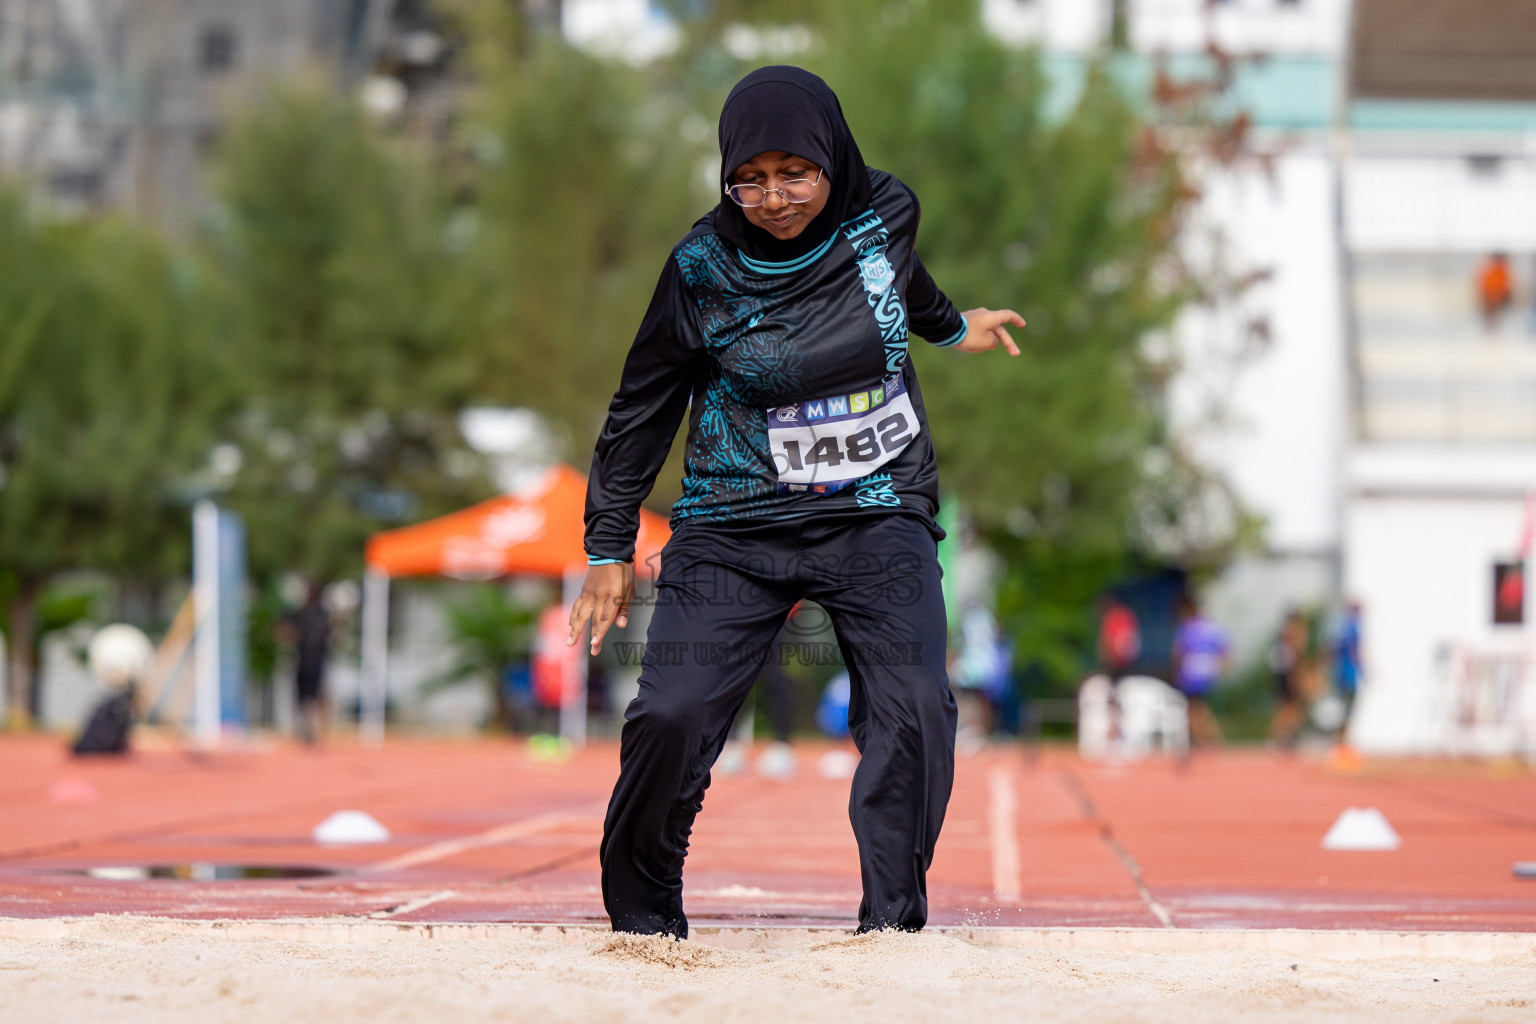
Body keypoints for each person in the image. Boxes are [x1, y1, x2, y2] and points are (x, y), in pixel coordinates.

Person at [567, 66, 1025, 938]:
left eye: (796, 173)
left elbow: (901, 283)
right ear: (728, 176)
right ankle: (644, 912)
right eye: (751, 178)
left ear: (833, 160)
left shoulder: (885, 213)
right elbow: (643, 406)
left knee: (916, 705)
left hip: (876, 508)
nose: (774, 197)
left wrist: (956, 327)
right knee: (669, 712)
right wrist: (607, 545)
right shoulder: (700, 269)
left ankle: (891, 923)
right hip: (735, 521)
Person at [1171, 594, 1226, 753]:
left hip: (1191, 673)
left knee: (1193, 709)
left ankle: (1204, 741)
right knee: (1200, 707)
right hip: (1207, 672)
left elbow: (1179, 652)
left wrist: (1176, 672)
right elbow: (1225, 651)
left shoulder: (1187, 627)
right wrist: (1218, 669)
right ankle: (1208, 739)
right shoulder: (1211, 627)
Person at [285, 582, 332, 747]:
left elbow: (330, 634)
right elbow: (284, 627)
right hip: (303, 661)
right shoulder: (301, 613)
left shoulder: (322, 614)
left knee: (316, 695)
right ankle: (305, 729)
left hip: (317, 661)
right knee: (301, 696)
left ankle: (317, 730)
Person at [1268, 609, 1306, 749]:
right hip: (1289, 672)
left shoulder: (1283, 633)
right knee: (1293, 707)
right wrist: (1295, 678)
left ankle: (1282, 736)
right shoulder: (1294, 633)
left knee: (1284, 705)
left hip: (1282, 671)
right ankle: (1285, 735)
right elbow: (1295, 656)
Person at [1477, 252, 1513, 333]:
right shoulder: (1489, 271)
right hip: (1491, 299)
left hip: (1496, 300)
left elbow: (1507, 288)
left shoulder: (1502, 272)